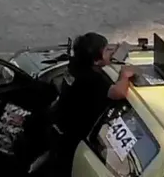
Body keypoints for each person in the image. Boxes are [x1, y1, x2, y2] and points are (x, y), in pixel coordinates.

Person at [48, 32, 134, 173]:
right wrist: (124, 76)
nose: (110, 51)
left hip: (59, 125)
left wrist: (110, 53)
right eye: (106, 50)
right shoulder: (92, 79)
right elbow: (118, 93)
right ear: (96, 61)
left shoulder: (76, 64)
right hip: (73, 138)